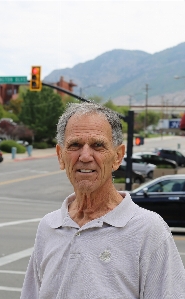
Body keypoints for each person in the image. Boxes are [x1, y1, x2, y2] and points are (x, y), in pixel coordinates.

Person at [21, 102, 185, 298]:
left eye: (98, 145)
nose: (85, 156)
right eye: (75, 145)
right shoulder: (48, 226)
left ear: (117, 157)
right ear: (60, 156)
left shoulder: (149, 230)